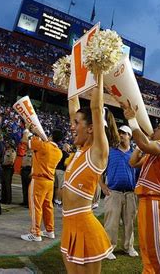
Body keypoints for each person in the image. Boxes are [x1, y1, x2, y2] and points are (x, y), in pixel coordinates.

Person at [61, 75, 116, 273]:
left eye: (76, 123)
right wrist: (71, 80)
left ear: (92, 128)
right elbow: (73, 106)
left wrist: (98, 73)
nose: (72, 126)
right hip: (69, 224)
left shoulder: (97, 153)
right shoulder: (80, 151)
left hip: (85, 227)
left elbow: (95, 108)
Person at [122, 99, 160, 274]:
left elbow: (146, 145)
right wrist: (142, 145)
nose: (154, 130)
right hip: (148, 201)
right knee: (147, 248)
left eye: (158, 128)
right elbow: (132, 162)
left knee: (156, 249)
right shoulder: (154, 152)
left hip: (156, 201)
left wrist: (133, 121)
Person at [101, 125, 139, 260]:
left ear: (130, 136)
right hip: (114, 192)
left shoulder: (135, 154)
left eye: (124, 133)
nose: (121, 135)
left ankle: (129, 247)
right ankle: (108, 248)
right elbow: (99, 170)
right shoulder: (110, 152)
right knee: (111, 223)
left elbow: (139, 174)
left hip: (130, 193)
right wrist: (102, 186)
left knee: (130, 223)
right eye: (120, 133)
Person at [20, 129, 63, 242]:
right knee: (48, 206)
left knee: (36, 207)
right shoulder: (59, 152)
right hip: (50, 182)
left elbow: (24, 140)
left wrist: (26, 130)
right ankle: (50, 231)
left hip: (39, 180)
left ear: (51, 136)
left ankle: (35, 233)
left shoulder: (44, 146)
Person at [54, 143, 70, 207]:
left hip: (55, 170)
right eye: (69, 147)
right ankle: (59, 201)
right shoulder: (66, 154)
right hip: (61, 171)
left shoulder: (59, 152)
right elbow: (65, 164)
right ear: (66, 147)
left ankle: (55, 200)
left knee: (56, 186)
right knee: (61, 187)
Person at [1, 140, 16, 205]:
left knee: (7, 185)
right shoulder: (6, 151)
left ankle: (8, 199)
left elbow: (11, 162)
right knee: (3, 184)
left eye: (7, 143)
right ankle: (3, 198)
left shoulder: (12, 151)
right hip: (4, 168)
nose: (6, 144)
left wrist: (3, 164)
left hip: (8, 169)